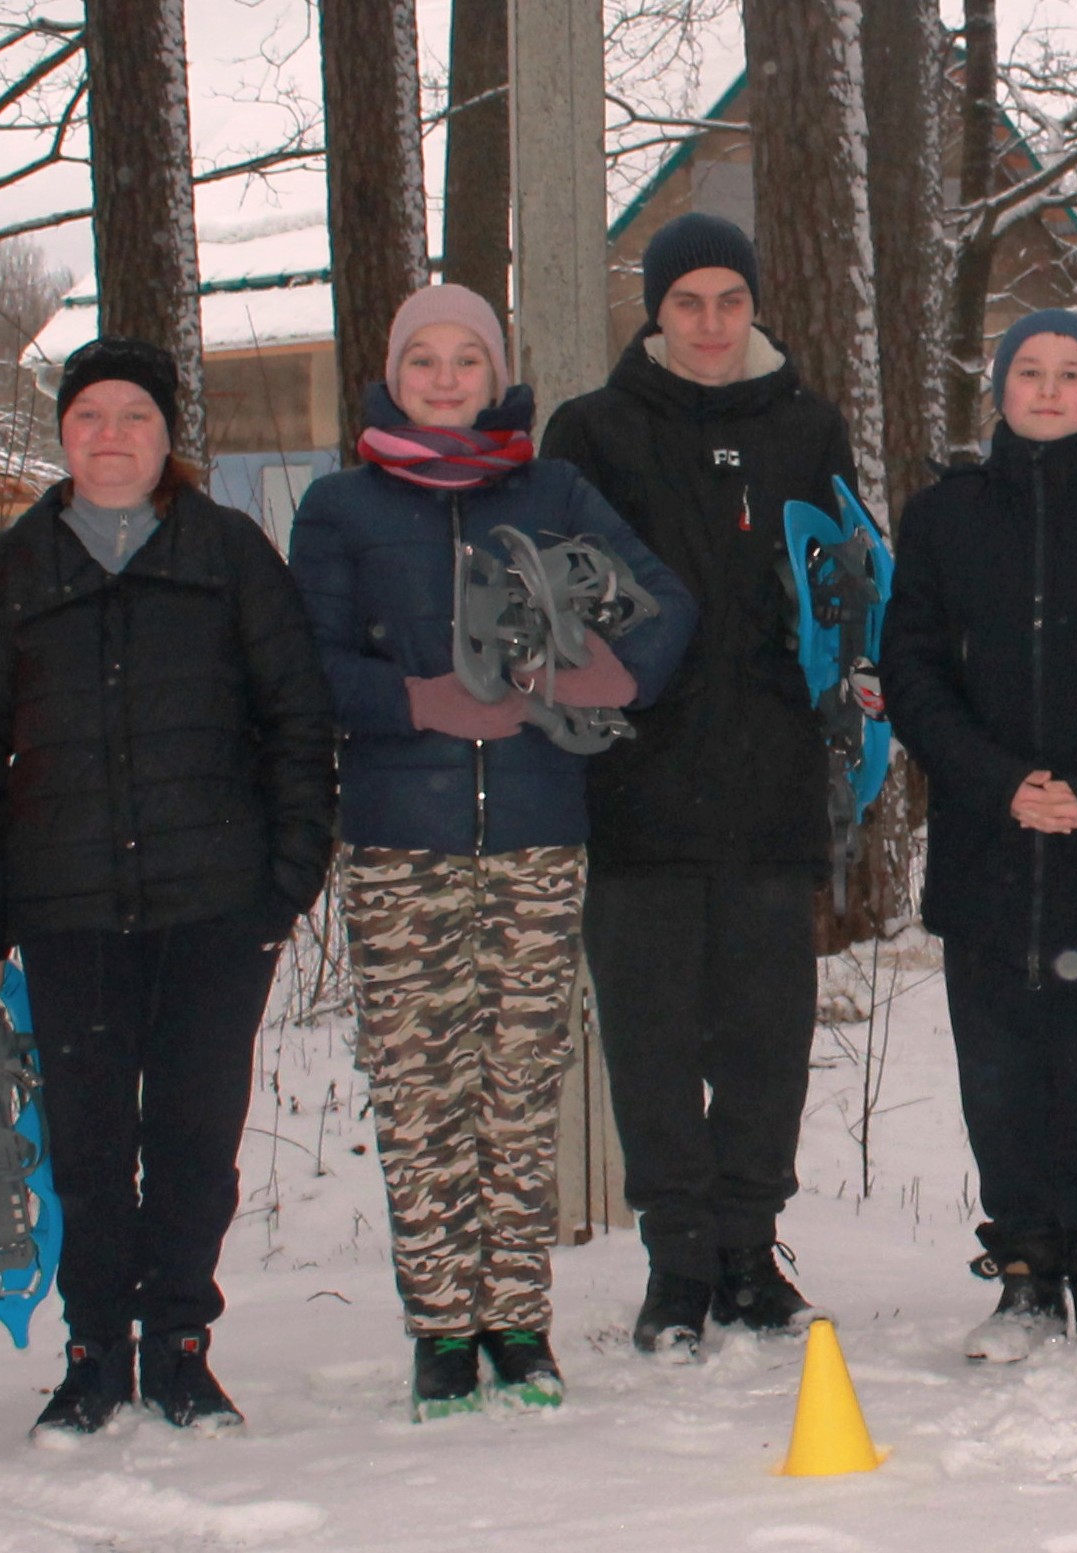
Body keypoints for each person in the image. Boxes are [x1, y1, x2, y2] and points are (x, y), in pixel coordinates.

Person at [290, 283, 696, 1419]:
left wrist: (588, 680)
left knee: (518, 1089)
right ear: (393, 372)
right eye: (425, 358)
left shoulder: (552, 489)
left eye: (468, 357)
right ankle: (439, 1333)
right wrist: (417, 698)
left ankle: (518, 1323)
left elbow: (665, 606)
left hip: (533, 834)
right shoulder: (340, 508)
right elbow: (297, 665)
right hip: (398, 843)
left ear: (497, 371)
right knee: (422, 1097)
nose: (447, 376)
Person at [0, 337, 337, 1440]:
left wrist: (285, 883)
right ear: (64, 435)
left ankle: (181, 1345)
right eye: (90, 417)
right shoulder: (16, 570)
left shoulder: (230, 553)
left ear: (169, 437)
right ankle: (93, 1349)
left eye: (136, 418)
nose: (112, 436)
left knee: (198, 1137)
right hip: (70, 913)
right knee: (90, 1138)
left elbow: (299, 723)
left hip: (217, 908)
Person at [540, 213, 857, 1358]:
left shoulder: (810, 426)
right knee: (655, 1041)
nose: (712, 323)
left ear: (755, 305)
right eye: (689, 303)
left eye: (730, 300)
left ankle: (748, 1250)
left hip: (774, 788)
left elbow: (843, 585)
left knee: (766, 1040)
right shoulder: (593, 430)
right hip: (639, 791)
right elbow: (555, 598)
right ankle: (676, 1261)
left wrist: (849, 680)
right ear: (656, 310)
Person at [885, 310, 1077, 1362]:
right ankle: (1024, 1270)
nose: (1051, 389)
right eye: (1031, 370)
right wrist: (997, 781)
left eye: (1073, 373)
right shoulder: (942, 519)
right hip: (985, 849)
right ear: (1002, 389)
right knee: (1002, 1079)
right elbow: (915, 674)